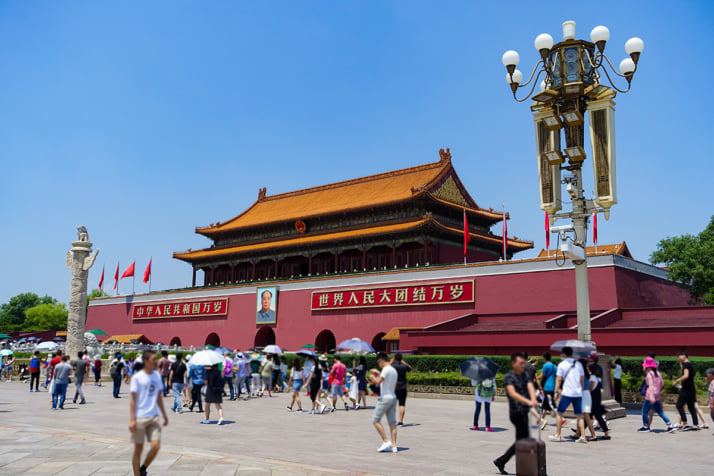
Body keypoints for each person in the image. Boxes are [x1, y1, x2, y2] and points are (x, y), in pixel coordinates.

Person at [493, 353, 538, 475]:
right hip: (516, 412)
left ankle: (502, 461)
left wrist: (534, 399)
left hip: (524, 411)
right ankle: (503, 461)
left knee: (523, 440)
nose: (523, 365)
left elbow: (530, 386)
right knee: (523, 440)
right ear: (513, 364)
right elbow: (512, 393)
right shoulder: (509, 377)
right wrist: (528, 401)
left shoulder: (524, 375)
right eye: (520, 363)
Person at [129, 350, 168, 476]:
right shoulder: (137, 378)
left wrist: (164, 415)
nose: (156, 361)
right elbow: (133, 400)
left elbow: (158, 397)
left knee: (156, 446)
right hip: (140, 417)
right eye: (153, 359)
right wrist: (132, 419)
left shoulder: (156, 376)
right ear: (146, 361)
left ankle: (143, 468)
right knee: (138, 449)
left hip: (153, 417)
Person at [549, 346, 587, 442]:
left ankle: (558, 435)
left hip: (567, 393)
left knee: (559, 413)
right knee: (579, 415)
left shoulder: (562, 364)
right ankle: (583, 436)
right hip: (578, 393)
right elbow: (582, 379)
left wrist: (556, 391)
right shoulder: (579, 364)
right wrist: (581, 388)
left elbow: (559, 379)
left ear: (564, 354)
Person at [637, 357, 675, 433]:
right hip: (657, 394)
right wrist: (657, 391)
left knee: (645, 410)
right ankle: (670, 425)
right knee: (660, 411)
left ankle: (645, 426)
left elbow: (650, 385)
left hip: (650, 395)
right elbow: (662, 383)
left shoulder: (649, 374)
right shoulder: (658, 373)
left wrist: (651, 395)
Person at [370, 352, 398, 453]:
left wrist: (373, 377)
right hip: (393, 397)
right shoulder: (394, 370)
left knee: (375, 420)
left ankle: (386, 441)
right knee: (392, 422)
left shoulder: (386, 369)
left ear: (381, 361)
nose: (379, 365)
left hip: (385, 398)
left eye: (378, 363)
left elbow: (378, 381)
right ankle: (394, 446)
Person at [673, 350, 699, 430]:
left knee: (679, 405)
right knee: (691, 407)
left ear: (684, 356)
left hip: (686, 389)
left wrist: (677, 380)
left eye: (679, 357)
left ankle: (685, 423)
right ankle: (695, 425)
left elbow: (686, 375)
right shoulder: (690, 364)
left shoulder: (686, 365)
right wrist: (681, 363)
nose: (678, 358)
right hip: (691, 388)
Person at [587, 361, 611, 439]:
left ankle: (606, 433)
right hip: (597, 397)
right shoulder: (597, 377)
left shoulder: (592, 377)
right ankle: (579, 431)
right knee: (589, 415)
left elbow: (590, 389)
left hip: (593, 398)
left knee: (596, 416)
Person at [538, 352, 557, 430]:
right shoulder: (554, 366)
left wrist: (536, 378)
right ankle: (542, 420)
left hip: (547, 387)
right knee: (545, 405)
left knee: (552, 405)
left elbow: (542, 376)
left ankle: (561, 418)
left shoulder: (545, 365)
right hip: (552, 386)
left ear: (544, 358)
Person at [391, 354, 412, 425]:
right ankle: (400, 421)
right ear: (401, 359)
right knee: (402, 405)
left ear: (395, 359)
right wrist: (403, 362)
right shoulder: (404, 366)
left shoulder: (393, 366)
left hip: (395, 387)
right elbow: (410, 368)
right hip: (403, 387)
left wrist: (391, 362)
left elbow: (386, 368)